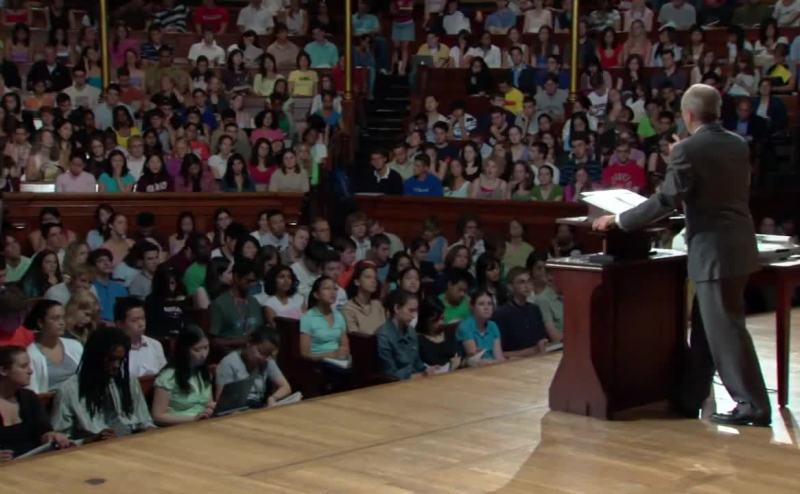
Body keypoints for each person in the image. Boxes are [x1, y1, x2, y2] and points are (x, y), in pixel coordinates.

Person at [593, 84, 771, 427]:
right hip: (738, 246)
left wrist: (619, 220)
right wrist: (683, 154)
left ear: (688, 115)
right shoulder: (737, 143)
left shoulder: (688, 150)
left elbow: (666, 200)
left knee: (726, 331)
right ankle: (689, 397)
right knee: (706, 328)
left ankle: (753, 405)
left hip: (713, 251)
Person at [51, 327, 154, 440]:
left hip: (132, 441)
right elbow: (61, 440)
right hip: (95, 446)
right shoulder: (69, 390)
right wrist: (90, 441)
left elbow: (145, 420)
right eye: (111, 359)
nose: (116, 365)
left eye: (120, 360)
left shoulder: (129, 381)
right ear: (95, 357)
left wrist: (149, 430)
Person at [0, 346, 72, 461]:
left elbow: (43, 431)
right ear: (3, 370)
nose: (30, 371)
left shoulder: (29, 398)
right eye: (23, 366)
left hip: (34, 461)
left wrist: (50, 436)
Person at [151, 325, 214, 426]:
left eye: (206, 348)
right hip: (181, 426)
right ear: (184, 350)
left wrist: (215, 407)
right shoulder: (168, 377)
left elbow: (207, 403)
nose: (203, 355)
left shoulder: (203, 372)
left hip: (203, 423)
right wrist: (194, 419)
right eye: (197, 350)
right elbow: (157, 416)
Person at [215, 327, 291, 408]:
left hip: (258, 406)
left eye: (268, 354)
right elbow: (220, 401)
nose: (263, 358)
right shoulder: (229, 363)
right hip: (236, 409)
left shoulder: (267, 361)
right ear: (249, 344)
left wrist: (273, 398)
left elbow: (286, 387)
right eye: (260, 352)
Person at [25, 300, 83, 393]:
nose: (61, 323)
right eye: (55, 318)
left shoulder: (75, 346)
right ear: (40, 323)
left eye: (63, 317)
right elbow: (32, 392)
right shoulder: (30, 354)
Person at [376, 291, 429, 380]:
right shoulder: (383, 336)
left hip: (416, 380)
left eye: (416, 311)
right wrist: (413, 376)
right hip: (396, 384)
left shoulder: (411, 331)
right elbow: (389, 375)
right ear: (397, 308)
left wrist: (427, 371)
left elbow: (418, 363)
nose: (414, 316)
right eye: (411, 310)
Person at [299, 276, 350, 362]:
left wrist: (343, 353)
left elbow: (345, 346)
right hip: (318, 362)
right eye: (327, 288)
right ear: (316, 294)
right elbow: (305, 353)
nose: (332, 292)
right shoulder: (307, 317)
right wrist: (328, 355)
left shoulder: (339, 315)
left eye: (334, 289)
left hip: (338, 361)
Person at [210, 259, 264, 339]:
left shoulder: (254, 302)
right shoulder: (219, 304)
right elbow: (213, 340)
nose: (252, 285)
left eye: (254, 281)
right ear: (236, 277)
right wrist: (242, 341)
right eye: (248, 281)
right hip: (232, 346)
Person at [115, 297, 166, 378]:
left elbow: (163, 376)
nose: (141, 324)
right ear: (120, 324)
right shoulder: (115, 349)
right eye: (134, 320)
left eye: (143, 318)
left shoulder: (155, 345)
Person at [456, 291, 506, 365]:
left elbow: (499, 356)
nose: (486, 308)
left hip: (493, 365)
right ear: (472, 307)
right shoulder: (465, 326)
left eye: (490, 304)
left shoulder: (493, 325)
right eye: (481, 304)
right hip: (473, 369)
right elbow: (475, 360)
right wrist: (496, 362)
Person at [342, 261, 386, 335]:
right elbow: (354, 335)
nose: (373, 281)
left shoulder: (378, 305)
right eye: (368, 277)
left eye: (375, 278)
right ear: (357, 281)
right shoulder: (348, 308)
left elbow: (385, 331)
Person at [89, 248, 129, 323]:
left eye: (108, 260)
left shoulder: (120, 287)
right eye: (100, 261)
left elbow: (127, 310)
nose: (106, 263)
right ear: (93, 266)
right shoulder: (90, 288)